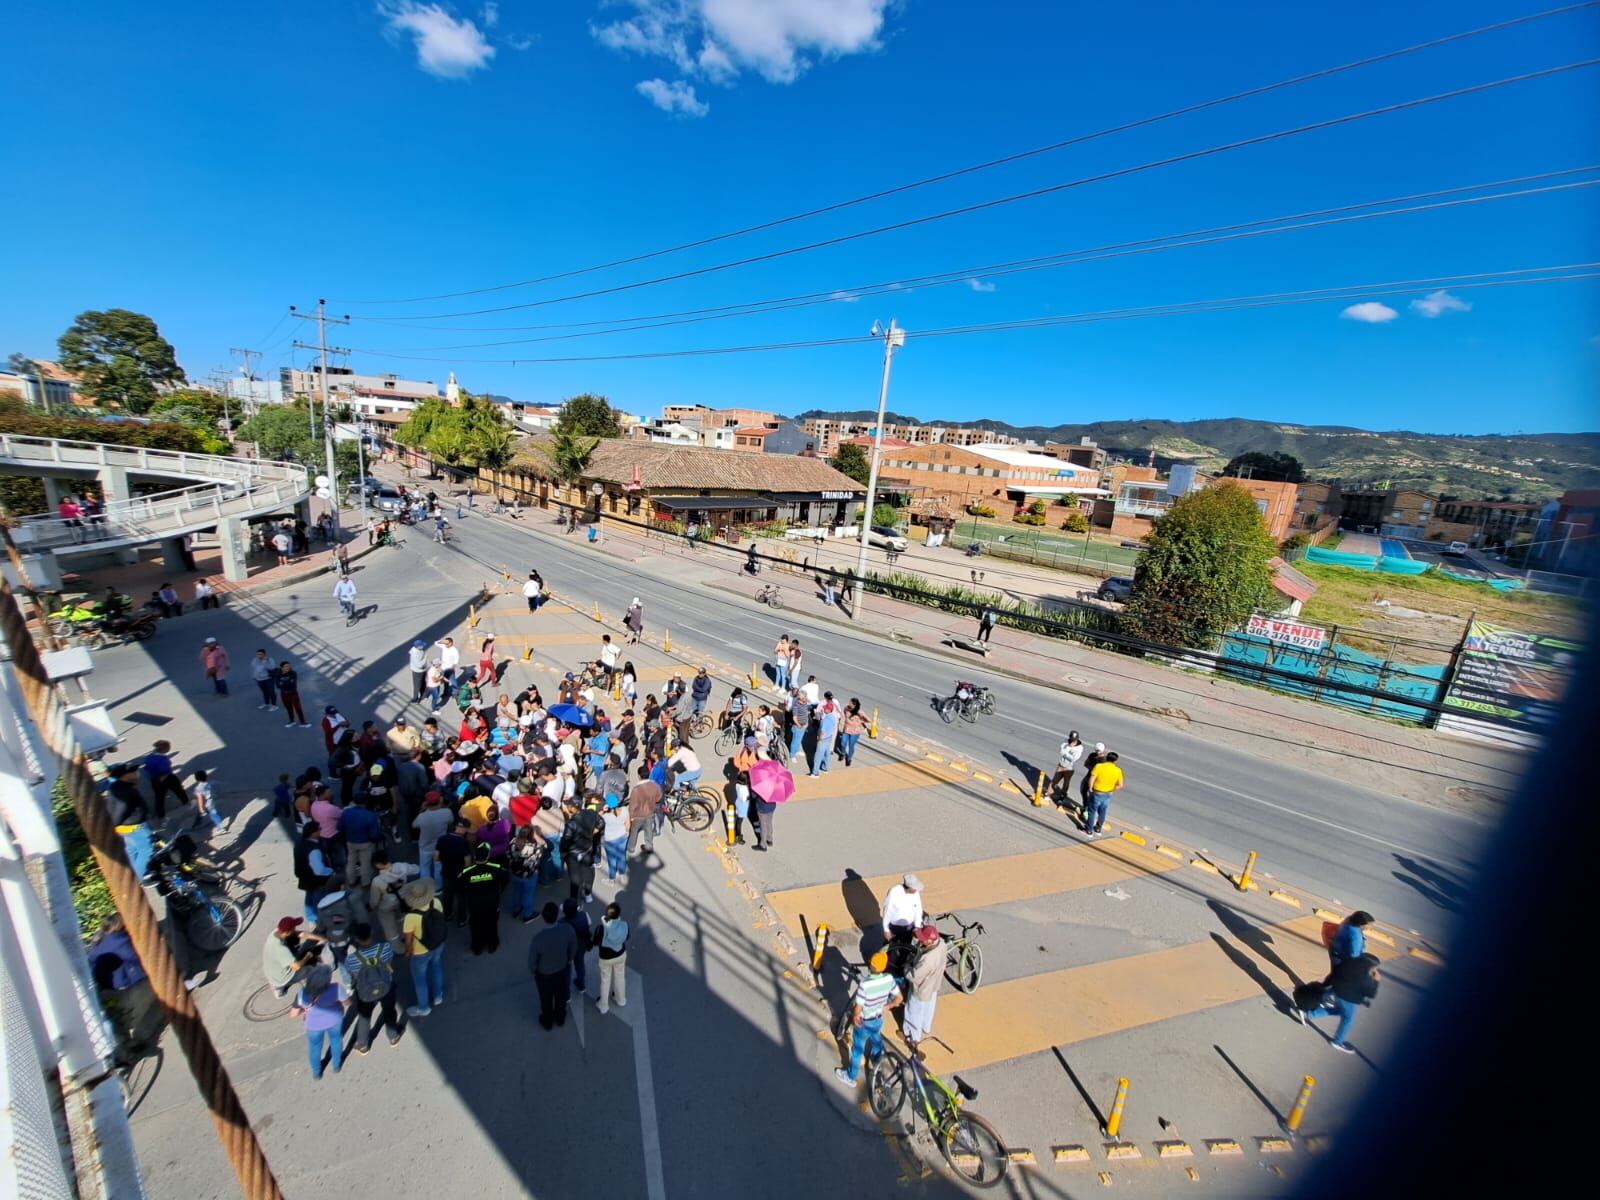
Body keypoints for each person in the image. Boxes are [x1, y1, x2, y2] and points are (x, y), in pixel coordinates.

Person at [832, 950, 901, 1091]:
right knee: (876, 1041)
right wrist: (888, 1006)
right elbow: (899, 998)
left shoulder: (865, 985)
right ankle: (876, 1065)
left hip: (865, 1021)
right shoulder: (889, 979)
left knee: (857, 1049)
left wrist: (856, 1017)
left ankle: (850, 1077)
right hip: (878, 1019)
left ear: (871, 966)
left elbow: (858, 1006)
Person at [1295, 952, 1381, 1054]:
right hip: (1348, 999)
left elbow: (1334, 973)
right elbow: (1371, 994)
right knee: (1347, 1019)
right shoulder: (1366, 978)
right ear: (1371, 966)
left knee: (1338, 1011)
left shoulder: (1349, 962)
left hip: (1336, 990)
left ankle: (1311, 1014)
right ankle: (1338, 1041)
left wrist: (1325, 985)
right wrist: (1376, 981)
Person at [341, 922, 401, 1053]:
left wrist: (350, 987)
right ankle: (393, 1036)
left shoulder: (352, 959)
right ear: (371, 933)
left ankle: (362, 1044)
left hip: (364, 990)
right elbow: (389, 961)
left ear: (356, 939)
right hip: (386, 985)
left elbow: (349, 976)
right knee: (389, 1010)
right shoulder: (385, 948)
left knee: (364, 1016)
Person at [289, 964, 347, 1080]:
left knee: (315, 1047)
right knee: (336, 1041)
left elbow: (293, 1014)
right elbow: (347, 1002)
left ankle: (317, 1072)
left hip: (313, 1025)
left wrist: (303, 1010)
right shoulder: (336, 988)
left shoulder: (302, 994)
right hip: (334, 1020)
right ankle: (336, 1065)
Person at [401, 878, 446, 1017]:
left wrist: (408, 951)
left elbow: (408, 939)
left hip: (420, 951)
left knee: (420, 979)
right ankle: (438, 996)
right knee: (436, 966)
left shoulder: (410, 917)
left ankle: (423, 1007)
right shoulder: (436, 902)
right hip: (438, 943)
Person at [528, 902, 578, 1030]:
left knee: (546, 999)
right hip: (562, 969)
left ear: (544, 918)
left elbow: (532, 961)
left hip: (544, 975)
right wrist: (569, 959)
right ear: (557, 915)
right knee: (561, 996)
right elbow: (573, 946)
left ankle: (547, 1022)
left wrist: (533, 971)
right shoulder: (567, 929)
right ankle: (560, 1018)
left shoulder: (538, 939)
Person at [107, 762, 153, 880]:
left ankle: (131, 874)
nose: (136, 774)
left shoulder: (116, 786)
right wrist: (115, 826)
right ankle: (138, 878)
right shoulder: (125, 791)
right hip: (135, 827)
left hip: (126, 828)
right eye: (133, 772)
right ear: (125, 776)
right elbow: (120, 810)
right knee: (146, 850)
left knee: (132, 850)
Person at [460, 843, 508, 955]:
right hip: (492, 902)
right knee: (492, 924)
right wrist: (499, 891)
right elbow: (506, 879)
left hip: (474, 904)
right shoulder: (496, 868)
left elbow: (460, 887)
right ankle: (492, 945)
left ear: (475, 857)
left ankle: (477, 948)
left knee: (476, 925)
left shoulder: (467, 871)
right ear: (487, 856)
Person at [261, 916, 324, 998]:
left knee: (294, 940)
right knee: (313, 969)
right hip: (282, 977)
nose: (295, 929)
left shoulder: (276, 933)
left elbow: (300, 934)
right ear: (287, 932)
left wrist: (319, 938)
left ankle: (277, 986)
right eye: (294, 928)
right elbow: (296, 966)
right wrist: (308, 956)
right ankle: (309, 991)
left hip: (271, 971)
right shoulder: (280, 948)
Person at [903, 923, 945, 1045]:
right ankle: (926, 1027)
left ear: (929, 941)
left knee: (913, 1011)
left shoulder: (928, 959)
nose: (921, 941)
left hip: (922, 989)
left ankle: (912, 1036)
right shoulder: (941, 944)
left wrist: (906, 968)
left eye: (923, 939)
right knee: (929, 1007)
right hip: (934, 984)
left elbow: (914, 976)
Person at [294, 821, 336, 925]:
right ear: (313, 833)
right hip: (316, 880)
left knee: (309, 897)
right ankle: (320, 920)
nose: (320, 831)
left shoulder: (300, 842)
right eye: (319, 829)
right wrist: (331, 871)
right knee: (319, 899)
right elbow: (319, 870)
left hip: (304, 876)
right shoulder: (314, 850)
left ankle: (311, 918)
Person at [595, 901, 629, 1014]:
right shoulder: (624, 925)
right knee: (620, 976)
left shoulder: (601, 928)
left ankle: (603, 1006)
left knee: (605, 980)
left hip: (605, 958)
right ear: (619, 914)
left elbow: (595, 941)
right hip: (621, 954)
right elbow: (627, 937)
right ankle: (621, 999)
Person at [413, 792, 452, 885]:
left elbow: (414, 825)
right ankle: (438, 887)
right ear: (439, 801)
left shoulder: (422, 816)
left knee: (424, 867)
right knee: (438, 867)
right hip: (440, 846)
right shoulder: (447, 812)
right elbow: (451, 822)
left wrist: (422, 810)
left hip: (425, 847)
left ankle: (426, 888)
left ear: (426, 803)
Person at [508, 826, 545, 923]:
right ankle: (527, 915)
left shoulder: (513, 841)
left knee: (516, 892)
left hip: (515, 873)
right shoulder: (534, 846)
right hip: (529, 875)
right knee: (528, 895)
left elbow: (508, 854)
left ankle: (516, 910)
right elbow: (541, 852)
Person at [143, 739, 187, 819]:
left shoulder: (149, 757)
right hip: (167, 777)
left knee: (159, 797)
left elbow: (146, 768)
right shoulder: (162, 758)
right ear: (164, 749)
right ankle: (186, 802)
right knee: (178, 790)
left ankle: (160, 814)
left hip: (154, 778)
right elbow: (165, 769)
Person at [1083, 751, 1124, 837]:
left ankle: (1089, 830)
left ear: (1106, 758)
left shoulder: (1099, 766)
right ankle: (1098, 829)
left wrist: (1090, 788)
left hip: (1097, 792)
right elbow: (1120, 785)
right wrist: (1111, 789)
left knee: (1092, 811)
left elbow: (1092, 778)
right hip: (1108, 794)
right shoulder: (1118, 770)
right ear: (1115, 761)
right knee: (1103, 811)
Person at [625, 766, 661, 862]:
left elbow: (632, 805)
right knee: (648, 831)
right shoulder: (654, 786)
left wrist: (631, 817)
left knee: (634, 832)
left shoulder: (636, 789)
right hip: (650, 813)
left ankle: (631, 848)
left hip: (638, 816)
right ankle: (649, 846)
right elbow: (658, 798)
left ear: (639, 776)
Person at [562, 896, 593, 996]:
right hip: (581, 947)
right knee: (580, 965)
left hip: (568, 950)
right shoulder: (584, 915)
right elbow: (589, 923)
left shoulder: (561, 923)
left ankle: (566, 994)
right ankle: (581, 985)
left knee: (567, 970)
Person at [881, 874, 925, 942]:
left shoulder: (916, 893)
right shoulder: (894, 892)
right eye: (915, 888)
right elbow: (887, 911)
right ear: (909, 887)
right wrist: (886, 930)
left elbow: (918, 909)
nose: (916, 890)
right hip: (894, 928)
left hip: (909, 927)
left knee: (906, 947)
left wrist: (917, 926)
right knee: (889, 947)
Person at [1051, 731, 1085, 809]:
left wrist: (1066, 753)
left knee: (1066, 783)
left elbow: (1074, 758)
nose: (1072, 740)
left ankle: (1062, 796)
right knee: (1054, 780)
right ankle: (1048, 794)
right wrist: (1068, 751)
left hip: (1069, 768)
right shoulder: (1065, 742)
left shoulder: (1079, 747)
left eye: (1074, 739)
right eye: (1072, 739)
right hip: (1061, 765)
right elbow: (1061, 750)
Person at [600, 794, 628, 881]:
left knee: (612, 860)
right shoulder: (624, 810)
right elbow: (628, 825)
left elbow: (597, 818)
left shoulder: (605, 816)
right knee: (621, 856)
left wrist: (603, 810)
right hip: (622, 837)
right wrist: (627, 833)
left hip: (609, 840)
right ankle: (622, 874)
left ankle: (612, 879)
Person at [811, 695, 839, 777]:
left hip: (823, 739)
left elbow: (822, 731)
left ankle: (815, 773)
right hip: (829, 737)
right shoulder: (834, 717)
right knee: (827, 753)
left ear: (828, 709)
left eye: (825, 708)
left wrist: (819, 738)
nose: (823, 708)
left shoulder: (825, 719)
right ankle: (825, 768)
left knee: (818, 755)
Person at [276, 660, 309, 728]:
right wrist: (287, 682)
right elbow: (278, 685)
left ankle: (303, 722)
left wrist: (283, 683)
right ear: (281, 667)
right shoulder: (278, 674)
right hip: (284, 694)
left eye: (288, 666)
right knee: (289, 708)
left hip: (293, 694)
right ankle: (292, 721)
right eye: (285, 666)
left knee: (298, 708)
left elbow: (292, 684)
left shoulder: (293, 673)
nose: (287, 667)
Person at [838, 700, 867, 767]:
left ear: (854, 705)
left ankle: (849, 759)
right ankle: (842, 753)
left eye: (850, 703)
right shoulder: (846, 708)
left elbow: (867, 719)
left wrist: (860, 722)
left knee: (851, 746)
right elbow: (845, 714)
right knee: (843, 743)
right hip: (847, 730)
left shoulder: (859, 712)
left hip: (855, 732)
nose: (849, 704)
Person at [1078, 742, 1107, 809]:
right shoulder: (1092, 755)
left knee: (1092, 795)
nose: (1097, 752)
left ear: (1103, 750)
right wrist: (1093, 769)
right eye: (1096, 750)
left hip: (1096, 780)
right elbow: (1086, 763)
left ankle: (1088, 808)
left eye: (1099, 751)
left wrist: (1093, 769)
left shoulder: (1104, 760)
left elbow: (1102, 772)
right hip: (1088, 776)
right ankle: (1085, 804)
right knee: (1083, 790)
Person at [407, 639, 429, 704]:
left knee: (423, 683)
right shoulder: (415, 654)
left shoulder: (418, 650)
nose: (423, 647)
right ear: (418, 646)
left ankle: (423, 695)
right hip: (418, 671)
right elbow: (419, 665)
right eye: (422, 645)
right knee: (417, 685)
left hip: (423, 670)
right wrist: (425, 657)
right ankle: (415, 698)